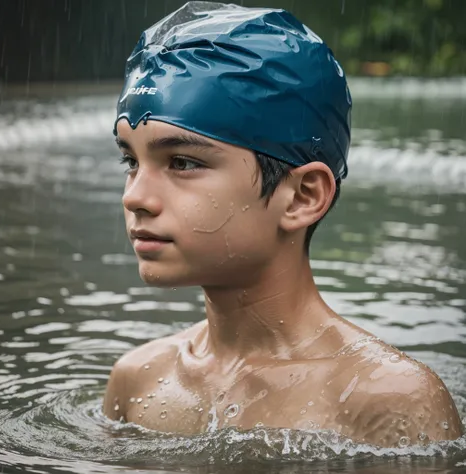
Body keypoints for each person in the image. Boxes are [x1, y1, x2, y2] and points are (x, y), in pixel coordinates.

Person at [104, 1, 463, 447]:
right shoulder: (136, 381)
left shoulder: (384, 401)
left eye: (182, 162)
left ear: (302, 196)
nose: (135, 196)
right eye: (130, 160)